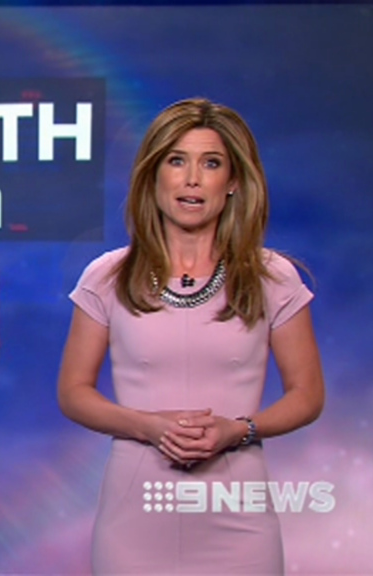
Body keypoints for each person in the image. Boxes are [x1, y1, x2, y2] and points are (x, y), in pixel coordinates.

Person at [57, 97, 325, 574]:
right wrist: (147, 426)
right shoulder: (107, 276)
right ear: (153, 175)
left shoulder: (272, 278)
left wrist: (238, 430)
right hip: (134, 524)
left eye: (211, 163)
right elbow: (73, 392)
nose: (193, 179)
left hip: (239, 523)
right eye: (177, 161)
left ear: (234, 182)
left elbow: (307, 395)